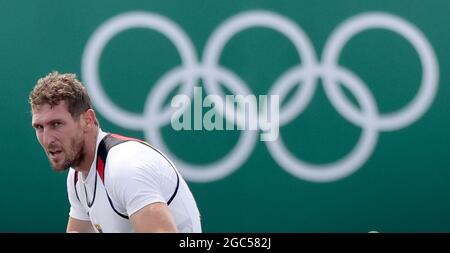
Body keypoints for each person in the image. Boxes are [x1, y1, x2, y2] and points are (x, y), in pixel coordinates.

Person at [29, 71, 202, 233]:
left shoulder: (124, 167)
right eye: (39, 127)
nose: (47, 139)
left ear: (88, 120)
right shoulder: (76, 176)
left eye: (56, 124)